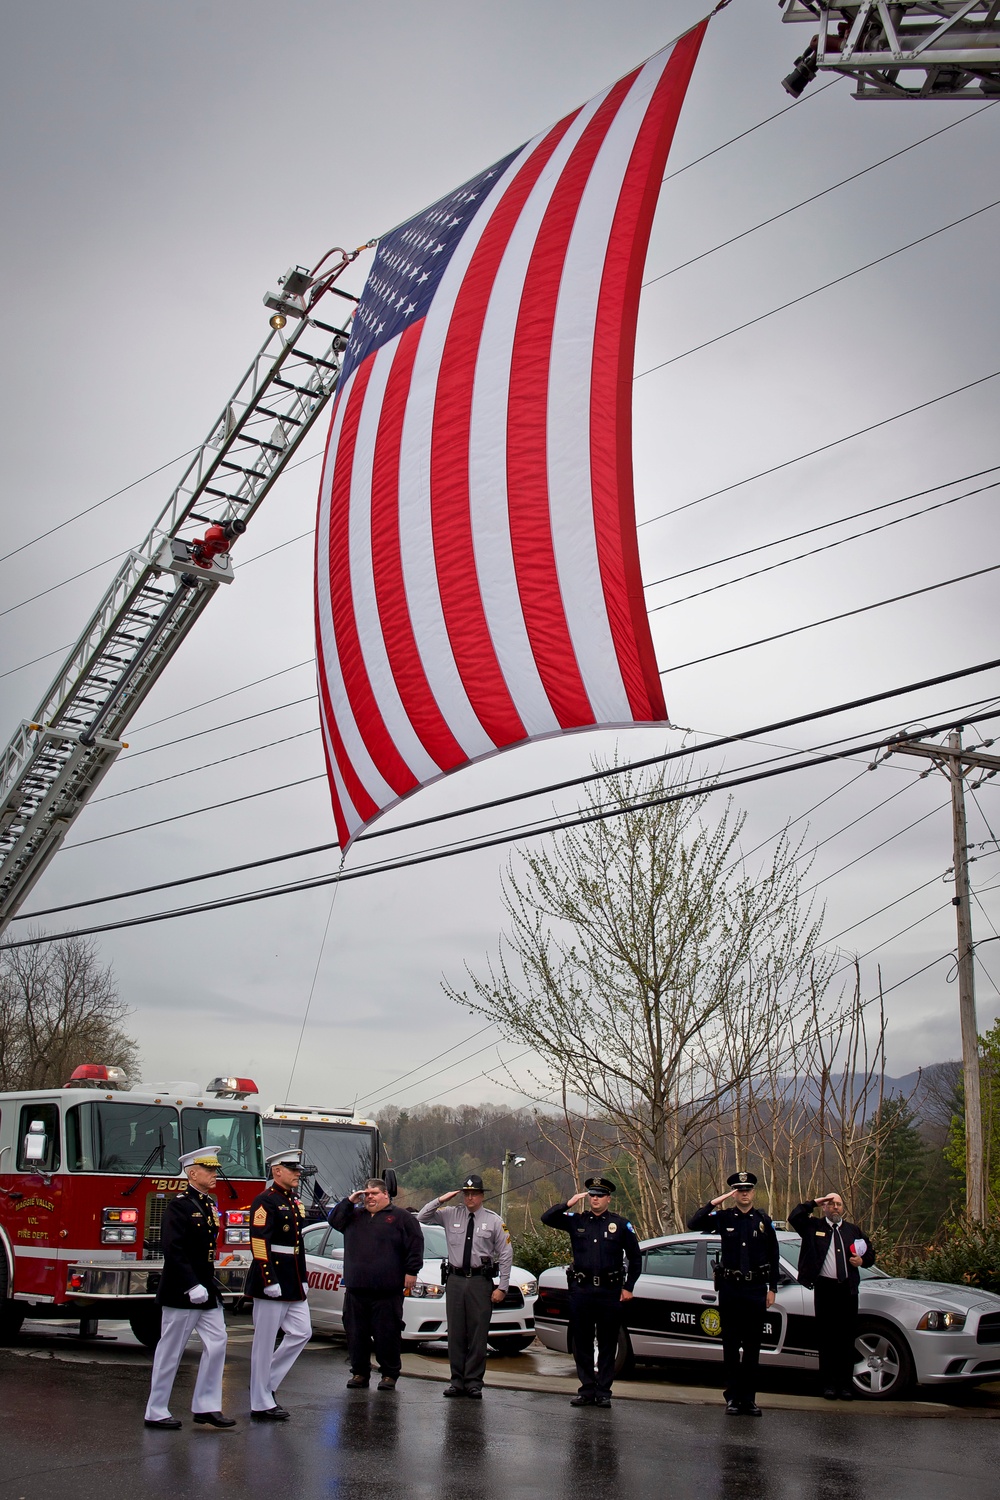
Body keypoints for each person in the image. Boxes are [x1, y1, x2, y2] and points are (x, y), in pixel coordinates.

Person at [144, 1147, 235, 1430]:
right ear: (192, 1173)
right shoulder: (179, 1205)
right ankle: (156, 1410)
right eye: (208, 1170)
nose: (214, 1175)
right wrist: (191, 1284)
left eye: (214, 1170)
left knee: (218, 1343)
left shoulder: (208, 1205)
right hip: (182, 1290)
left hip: (205, 1289)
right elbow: (173, 1248)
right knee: (170, 1351)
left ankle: (206, 1406)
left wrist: (205, 1282)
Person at [541, 1177, 641, 1408]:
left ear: (608, 1198)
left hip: (609, 1291)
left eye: (599, 1195)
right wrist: (568, 1204)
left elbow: (636, 1258)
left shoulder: (620, 1224)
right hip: (582, 1289)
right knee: (582, 1341)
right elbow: (547, 1218)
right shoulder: (577, 1221)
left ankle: (604, 1391)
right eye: (592, 1195)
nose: (595, 1199)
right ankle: (586, 1389)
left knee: (607, 1342)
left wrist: (629, 1287)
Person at [687, 1171, 779, 1417]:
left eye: (748, 1189)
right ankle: (732, 1398)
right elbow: (694, 1223)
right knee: (730, 1346)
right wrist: (715, 1202)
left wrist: (772, 1288)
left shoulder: (763, 1220)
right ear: (734, 1193)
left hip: (755, 1290)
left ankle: (748, 1399)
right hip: (731, 1289)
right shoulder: (723, 1217)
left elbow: (774, 1255)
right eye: (739, 1189)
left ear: (754, 1192)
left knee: (752, 1347)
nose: (744, 1193)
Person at [418, 1173, 513, 1399]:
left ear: (481, 1196)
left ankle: (473, 1382)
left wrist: (503, 1287)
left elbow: (506, 1253)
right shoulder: (450, 1214)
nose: (469, 1198)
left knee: (478, 1334)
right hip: (456, 1280)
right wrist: (441, 1199)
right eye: (466, 1194)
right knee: (456, 1334)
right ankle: (456, 1381)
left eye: (474, 1194)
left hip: (480, 1281)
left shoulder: (494, 1221)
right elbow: (422, 1216)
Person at [329, 1177, 424, 1391]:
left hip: (387, 1290)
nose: (369, 1197)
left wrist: (412, 1271)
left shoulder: (401, 1218)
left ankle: (389, 1375)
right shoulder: (353, 1216)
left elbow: (415, 1244)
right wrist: (349, 1201)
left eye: (374, 1193)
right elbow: (333, 1220)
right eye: (366, 1194)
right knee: (356, 1334)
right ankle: (360, 1373)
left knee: (387, 1334)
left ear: (385, 1195)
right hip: (356, 1288)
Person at [246, 1147, 313, 1421]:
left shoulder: (294, 1201)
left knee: (302, 1332)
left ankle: (266, 1383)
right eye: (293, 1169)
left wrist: (304, 1277)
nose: (298, 1174)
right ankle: (261, 1402)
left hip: (292, 1278)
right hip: (271, 1276)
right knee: (264, 1342)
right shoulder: (266, 1201)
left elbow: (298, 1245)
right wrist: (269, 1279)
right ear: (277, 1171)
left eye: (298, 1170)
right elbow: (259, 1241)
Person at [789, 1191, 876, 1400]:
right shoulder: (813, 1227)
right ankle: (828, 1385)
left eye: (838, 1204)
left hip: (847, 1290)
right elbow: (794, 1217)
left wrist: (862, 1262)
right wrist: (814, 1202)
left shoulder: (852, 1230)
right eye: (830, 1204)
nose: (835, 1207)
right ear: (825, 1208)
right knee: (827, 1339)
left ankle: (845, 1386)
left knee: (846, 1340)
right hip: (824, 1289)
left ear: (842, 1207)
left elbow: (870, 1254)